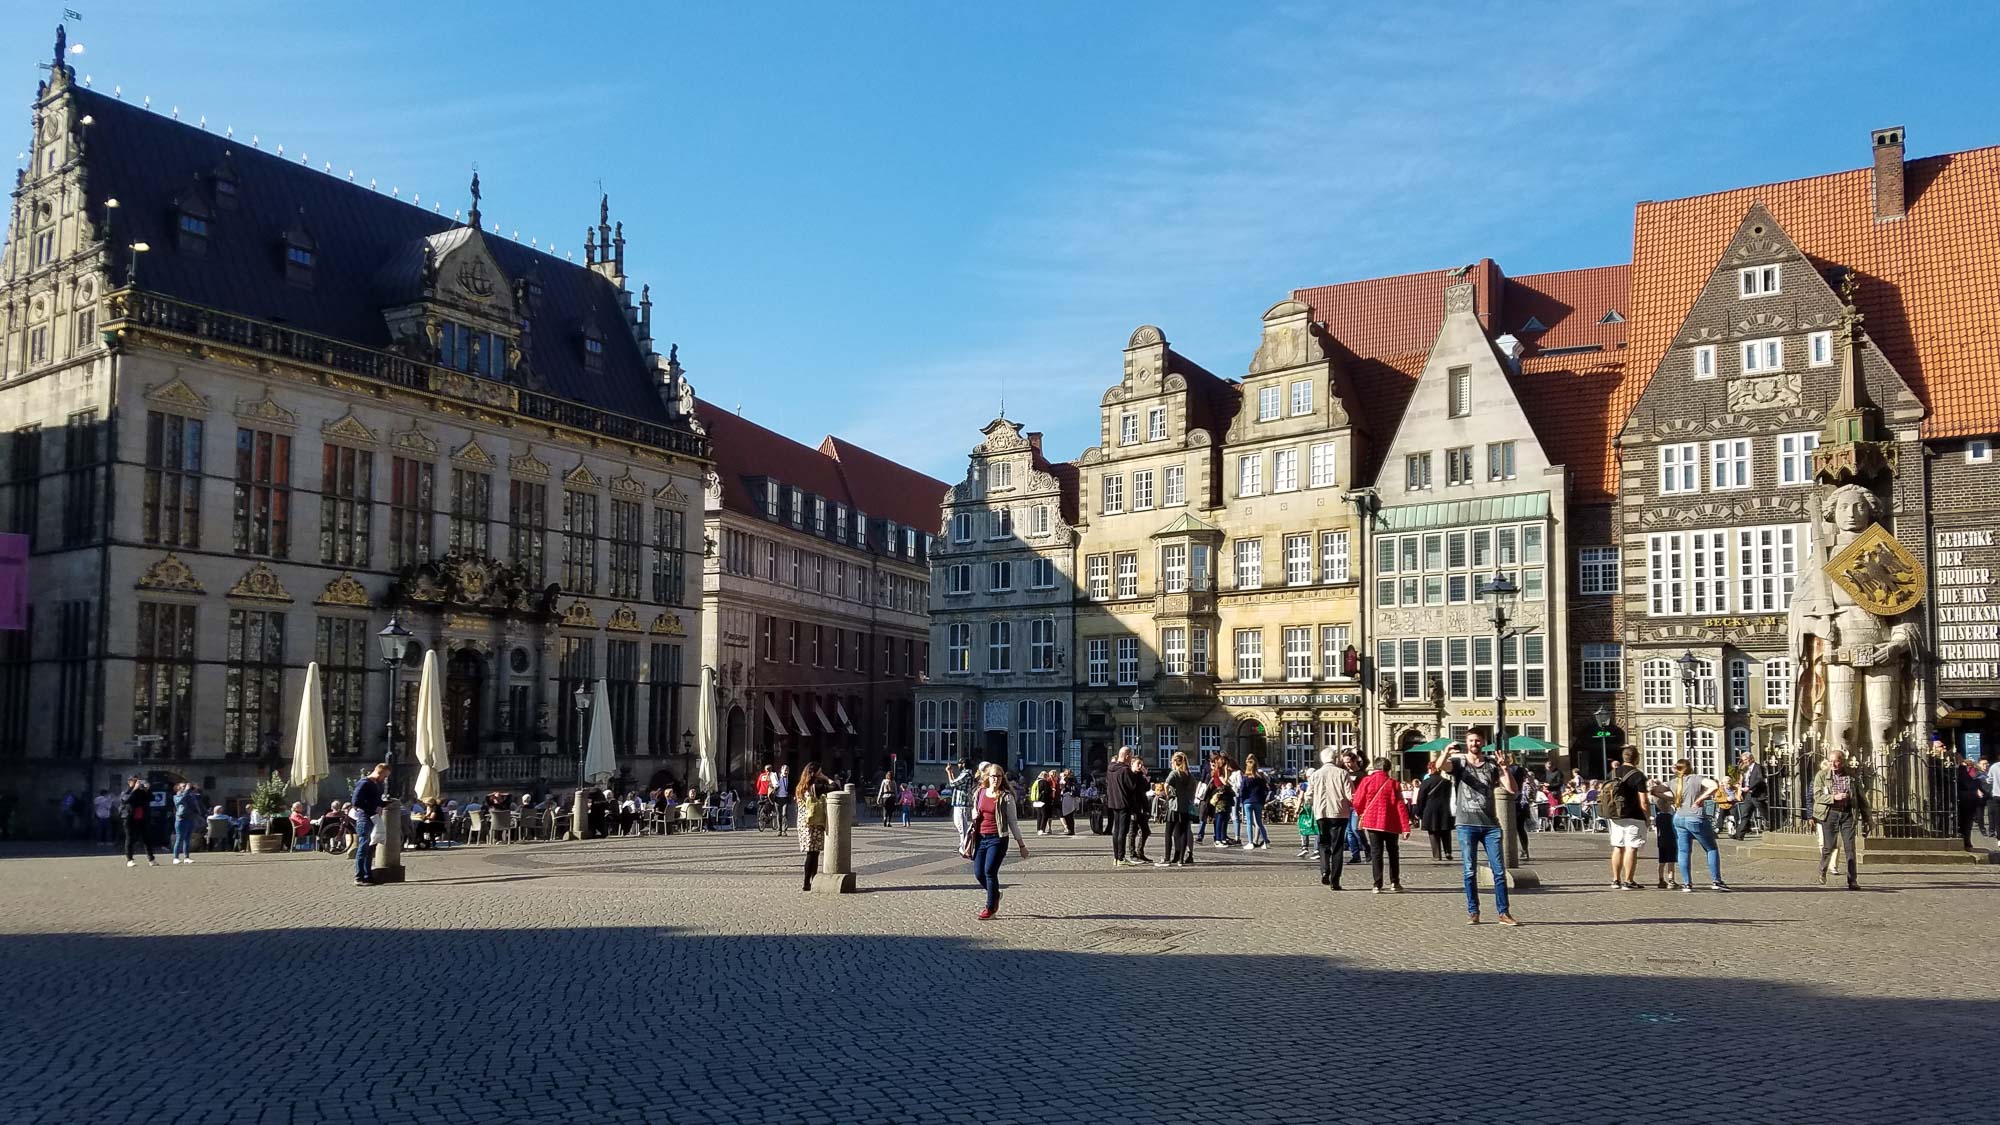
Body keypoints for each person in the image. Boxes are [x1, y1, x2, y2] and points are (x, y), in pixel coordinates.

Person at [1439, 733, 1519, 926]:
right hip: (1466, 823)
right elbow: (1441, 766)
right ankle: (1473, 911)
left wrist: (1505, 769)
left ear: (1483, 743)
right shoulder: (1459, 763)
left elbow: (1511, 789)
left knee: (1499, 871)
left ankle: (1504, 913)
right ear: (1467, 743)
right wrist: (1446, 752)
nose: (1475, 744)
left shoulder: (1492, 763)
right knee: (1469, 871)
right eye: (1471, 741)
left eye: (1478, 741)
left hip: (1490, 825)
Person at [967, 762, 1029, 919]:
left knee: (989, 871)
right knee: (978, 873)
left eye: (999, 776)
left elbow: (1013, 822)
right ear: (988, 777)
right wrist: (974, 814)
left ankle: (990, 908)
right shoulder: (980, 792)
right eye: (994, 776)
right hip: (980, 837)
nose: (996, 779)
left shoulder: (1006, 797)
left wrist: (1021, 845)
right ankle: (995, 893)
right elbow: (975, 809)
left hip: (998, 838)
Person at [1811, 748, 1872, 889]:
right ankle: (1822, 870)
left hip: (1847, 814)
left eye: (1836, 761)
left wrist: (1868, 817)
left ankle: (1852, 880)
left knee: (1850, 848)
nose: (1833, 764)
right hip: (1830, 813)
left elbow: (1861, 798)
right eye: (1831, 761)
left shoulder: (1851, 776)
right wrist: (1834, 797)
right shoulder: (1821, 775)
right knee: (1829, 846)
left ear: (1842, 762)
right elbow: (1817, 796)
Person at [1668, 760, 1730, 892]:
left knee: (1684, 851)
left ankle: (1687, 883)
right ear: (1690, 768)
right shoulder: (1696, 778)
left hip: (1679, 817)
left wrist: (1672, 800)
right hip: (1695, 817)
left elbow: (1655, 790)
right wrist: (1700, 799)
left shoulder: (1673, 782)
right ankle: (1716, 880)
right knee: (1711, 848)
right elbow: (1714, 785)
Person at [1350, 757, 1409, 893]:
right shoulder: (1394, 783)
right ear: (1388, 769)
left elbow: (1357, 801)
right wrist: (1405, 826)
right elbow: (1400, 806)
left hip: (1372, 822)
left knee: (1376, 853)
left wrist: (1361, 813)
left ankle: (1377, 884)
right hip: (1391, 823)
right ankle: (1395, 882)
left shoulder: (1367, 781)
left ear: (1375, 768)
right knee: (1393, 852)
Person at [1304, 748, 1353, 890]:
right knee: (1337, 847)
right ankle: (1335, 880)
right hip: (1339, 813)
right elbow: (1350, 794)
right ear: (1335, 758)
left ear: (1322, 759)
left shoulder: (1315, 775)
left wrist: (1311, 803)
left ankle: (1325, 870)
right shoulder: (1342, 773)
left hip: (1321, 813)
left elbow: (1308, 795)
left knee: (1324, 843)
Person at [1602, 746, 1649, 891]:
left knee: (1618, 847)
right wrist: (1647, 817)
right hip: (1634, 815)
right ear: (1636, 758)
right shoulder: (1638, 775)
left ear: (1624, 757)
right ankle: (1628, 881)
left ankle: (1616, 879)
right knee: (1631, 848)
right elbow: (1644, 801)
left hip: (1615, 814)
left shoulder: (1613, 772)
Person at [351, 762, 389, 886]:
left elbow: (375, 801)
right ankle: (359, 876)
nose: (384, 779)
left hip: (373, 818)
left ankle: (368, 875)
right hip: (365, 818)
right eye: (384, 776)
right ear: (379, 772)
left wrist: (384, 804)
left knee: (370, 847)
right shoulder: (364, 783)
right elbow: (356, 802)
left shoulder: (376, 784)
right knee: (363, 847)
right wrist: (373, 808)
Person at [795, 762, 831, 891]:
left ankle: (809, 881)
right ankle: (809, 881)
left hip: (803, 822)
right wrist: (826, 778)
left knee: (812, 852)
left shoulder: (801, 786)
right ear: (814, 773)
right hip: (814, 822)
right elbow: (835, 787)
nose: (820, 774)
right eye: (819, 772)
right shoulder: (815, 786)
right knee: (813, 853)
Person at [1163, 752, 1197, 866]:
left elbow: (1166, 785)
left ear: (1174, 762)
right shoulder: (1188, 775)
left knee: (1168, 833)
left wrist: (1168, 795)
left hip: (1174, 806)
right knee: (1182, 832)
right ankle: (1181, 859)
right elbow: (1194, 788)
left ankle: (1167, 858)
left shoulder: (1174, 773)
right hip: (1185, 807)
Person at [1413, 763, 1454, 861]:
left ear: (1430, 769)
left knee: (1433, 832)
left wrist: (1418, 811)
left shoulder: (1426, 782)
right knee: (1446, 831)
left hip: (1430, 810)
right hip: (1445, 809)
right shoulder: (1447, 782)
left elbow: (1421, 798)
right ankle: (1448, 851)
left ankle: (1437, 855)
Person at [1122, 756, 1155, 865]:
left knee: (1146, 831)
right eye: (1138, 764)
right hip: (1133, 808)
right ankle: (1132, 854)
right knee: (1132, 832)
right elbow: (1132, 789)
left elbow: (1146, 788)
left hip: (1142, 806)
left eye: (1141, 764)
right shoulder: (1129, 775)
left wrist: (1145, 776)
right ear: (1132, 764)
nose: (1140, 766)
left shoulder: (1140, 775)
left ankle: (1140, 851)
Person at [1105, 747, 1133, 866]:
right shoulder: (1125, 770)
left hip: (1113, 802)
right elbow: (1132, 786)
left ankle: (1116, 857)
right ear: (1126, 756)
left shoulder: (1110, 769)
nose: (1131, 758)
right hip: (1124, 802)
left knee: (1116, 830)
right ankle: (1121, 857)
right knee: (1123, 830)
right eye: (1131, 755)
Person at [1649, 779, 1679, 890]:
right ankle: (1671, 879)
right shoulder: (1670, 817)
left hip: (1661, 841)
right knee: (1671, 861)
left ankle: (1661, 879)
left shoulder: (1658, 817)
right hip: (1671, 840)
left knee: (1661, 861)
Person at [122, 777, 157, 868]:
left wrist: (148, 789)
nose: (138, 783)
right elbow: (126, 800)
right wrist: (134, 789)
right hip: (130, 818)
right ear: (130, 783)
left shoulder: (142, 792)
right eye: (135, 782)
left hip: (142, 817)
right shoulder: (126, 791)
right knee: (130, 838)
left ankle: (151, 859)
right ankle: (130, 859)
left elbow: (152, 798)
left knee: (147, 838)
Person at [1731, 751, 1765, 840]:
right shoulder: (1746, 769)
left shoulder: (1758, 767)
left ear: (1751, 759)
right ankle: (1739, 834)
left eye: (1746, 760)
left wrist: (1750, 787)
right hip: (1749, 795)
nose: (1745, 762)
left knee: (1765, 813)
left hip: (1757, 794)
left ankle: (1776, 828)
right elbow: (1745, 779)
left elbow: (1760, 779)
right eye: (1743, 760)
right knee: (1745, 814)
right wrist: (1740, 785)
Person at [1239, 754, 1270, 850]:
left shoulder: (1245, 778)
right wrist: (1263, 800)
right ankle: (1265, 842)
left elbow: (1242, 790)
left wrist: (1242, 801)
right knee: (1259, 823)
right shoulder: (1260, 778)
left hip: (1248, 802)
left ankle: (1250, 842)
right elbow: (1266, 790)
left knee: (1249, 822)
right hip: (1258, 802)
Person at [168, 782, 203, 864]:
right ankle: (175, 858)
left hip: (190, 818)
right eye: (183, 786)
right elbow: (180, 801)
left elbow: (196, 803)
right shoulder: (176, 796)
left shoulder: (191, 796)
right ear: (178, 788)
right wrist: (186, 791)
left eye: (185, 786)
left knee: (187, 839)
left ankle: (186, 857)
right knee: (179, 838)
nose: (185, 787)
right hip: (181, 819)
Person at [1208, 756, 1237, 849]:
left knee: (1225, 817)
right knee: (1220, 817)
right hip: (1220, 796)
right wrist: (1226, 772)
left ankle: (1223, 838)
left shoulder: (1223, 771)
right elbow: (1225, 782)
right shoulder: (1218, 771)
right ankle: (1218, 839)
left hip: (1226, 796)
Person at [943, 760, 975, 840]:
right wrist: (952, 773)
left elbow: (953, 783)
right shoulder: (966, 774)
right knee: (960, 824)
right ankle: (963, 844)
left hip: (962, 802)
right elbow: (957, 785)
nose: (958, 765)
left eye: (959, 763)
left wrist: (948, 773)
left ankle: (965, 845)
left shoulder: (965, 774)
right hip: (961, 802)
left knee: (961, 825)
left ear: (964, 764)